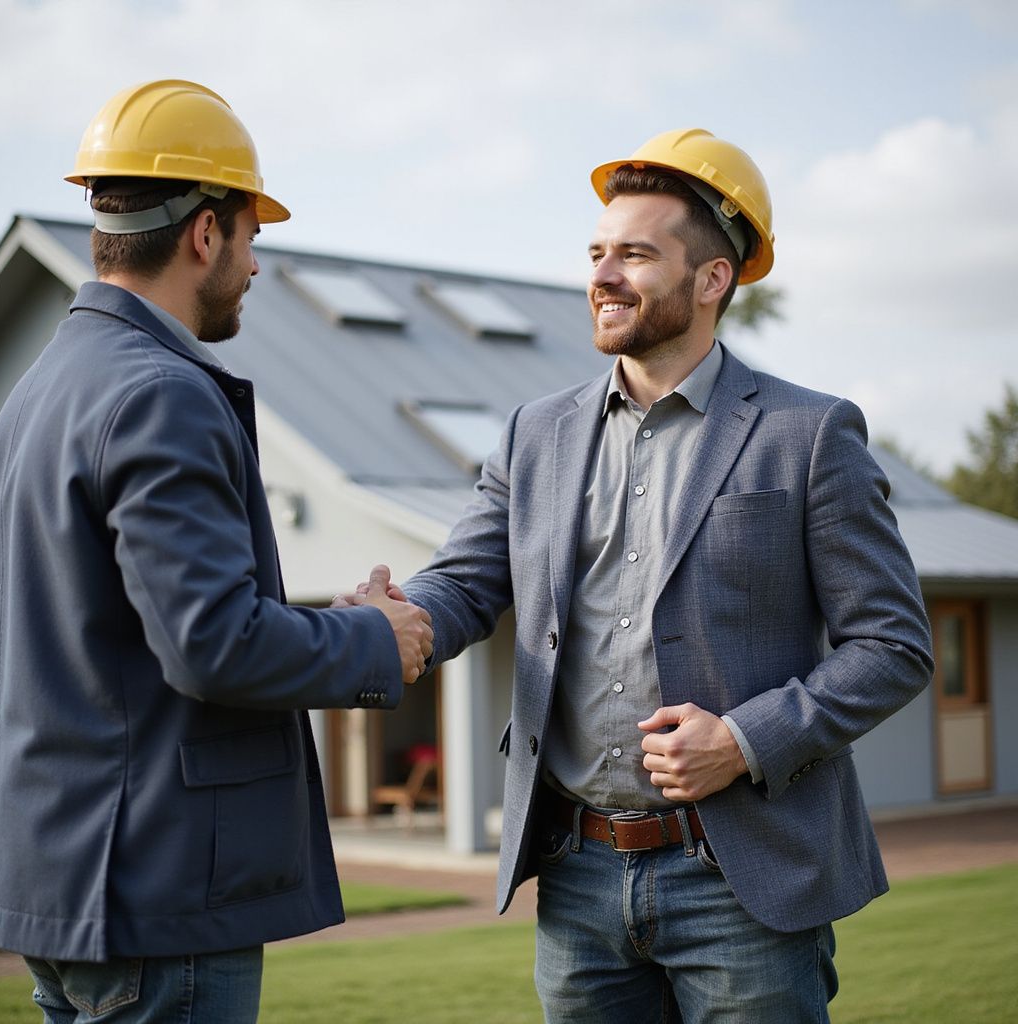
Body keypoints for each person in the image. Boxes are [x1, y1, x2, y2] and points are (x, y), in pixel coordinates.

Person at [396, 129, 934, 1022]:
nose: (603, 277)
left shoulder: (808, 434)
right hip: (576, 876)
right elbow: (462, 583)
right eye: (596, 254)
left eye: (636, 255)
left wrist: (745, 740)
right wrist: (394, 618)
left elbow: (894, 645)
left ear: (713, 278)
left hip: (741, 880)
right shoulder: (536, 434)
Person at [0, 79, 432, 1023]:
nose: (255, 265)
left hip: (64, 882)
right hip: (161, 892)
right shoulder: (160, 392)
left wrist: (326, 624)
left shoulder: (35, 391)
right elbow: (212, 644)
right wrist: (374, 640)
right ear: (204, 233)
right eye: (250, 235)